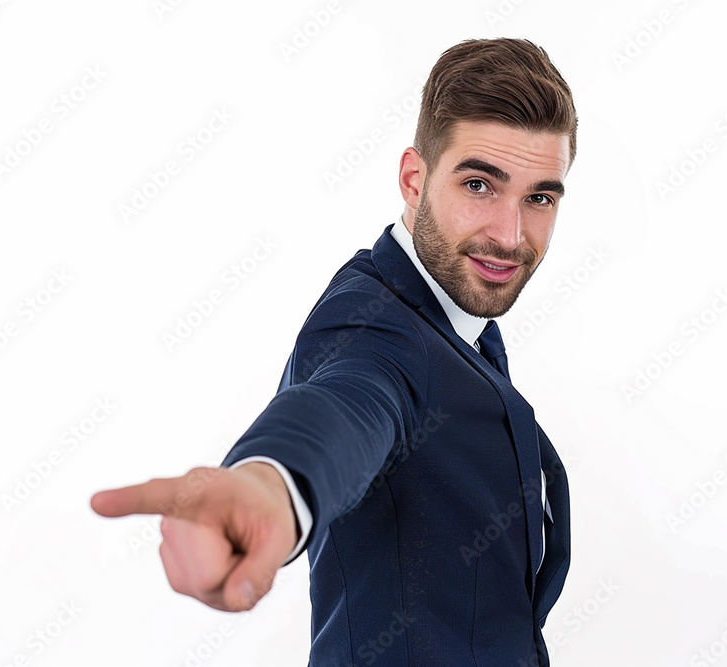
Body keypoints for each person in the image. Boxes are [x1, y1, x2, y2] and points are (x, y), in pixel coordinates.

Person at [91, 36, 578, 666]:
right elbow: (348, 403)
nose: (511, 236)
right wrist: (272, 491)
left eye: (539, 197)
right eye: (480, 184)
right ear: (413, 179)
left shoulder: (457, 317)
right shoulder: (369, 328)